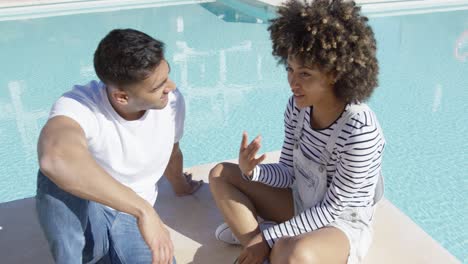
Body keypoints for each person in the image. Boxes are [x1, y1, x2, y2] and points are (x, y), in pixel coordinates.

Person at [209, 0, 385, 263]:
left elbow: (330, 209)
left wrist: (267, 239)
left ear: (335, 74)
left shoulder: (360, 130)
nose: (293, 82)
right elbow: (289, 173)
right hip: (300, 199)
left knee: (293, 254)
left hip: (339, 223)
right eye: (290, 69)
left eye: (305, 74)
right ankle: (259, 245)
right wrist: (252, 171)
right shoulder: (297, 107)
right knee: (221, 174)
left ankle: (267, 241)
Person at [36, 28, 202, 264]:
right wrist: (143, 211)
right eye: (158, 86)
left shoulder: (172, 101)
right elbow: (55, 159)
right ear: (122, 97)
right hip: (93, 214)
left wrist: (180, 185)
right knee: (54, 174)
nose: (171, 87)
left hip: (131, 224)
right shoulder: (79, 104)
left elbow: (172, 150)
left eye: (167, 76)